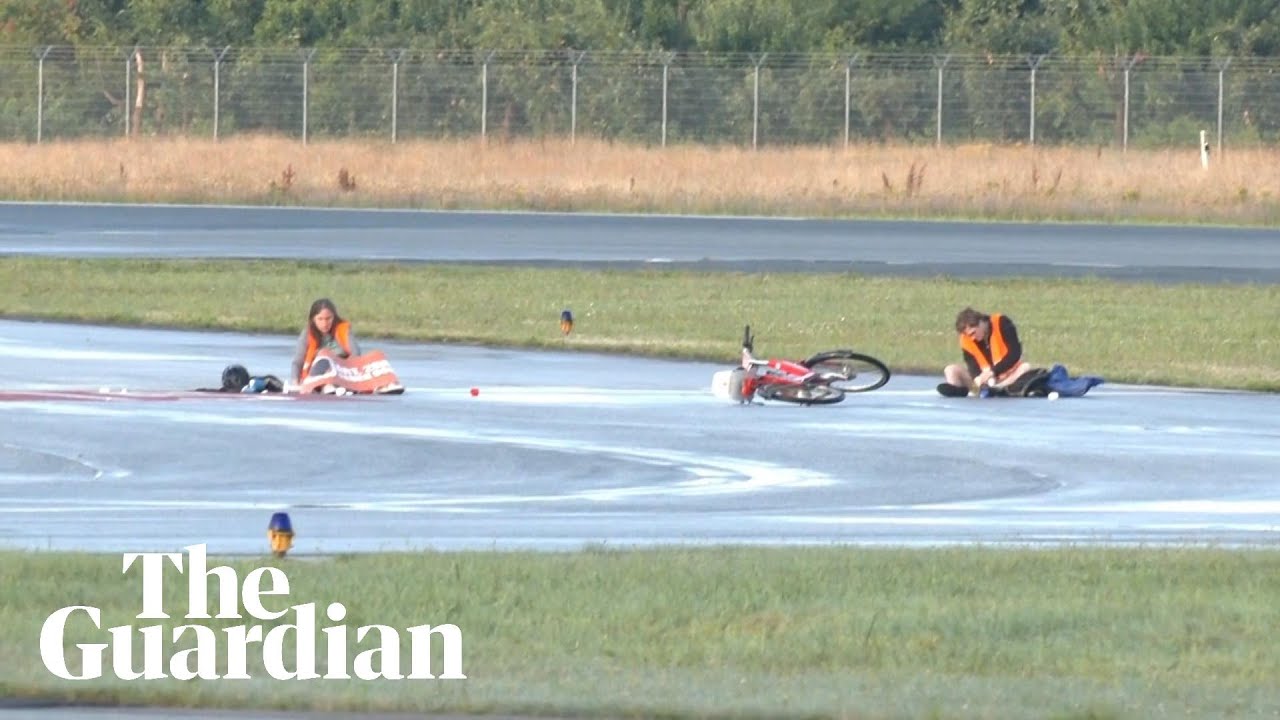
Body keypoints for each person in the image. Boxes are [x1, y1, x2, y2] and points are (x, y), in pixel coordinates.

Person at [938, 307, 1039, 397]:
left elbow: (1014, 354)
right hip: (983, 380)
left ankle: (998, 389)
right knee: (950, 370)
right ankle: (958, 390)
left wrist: (993, 372)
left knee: (1025, 367)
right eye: (969, 335)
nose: (972, 338)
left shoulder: (1001, 322)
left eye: (973, 333)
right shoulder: (967, 340)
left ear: (981, 322)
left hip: (1007, 375)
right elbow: (972, 366)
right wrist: (980, 378)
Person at [291, 297, 361, 384]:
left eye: (328, 319)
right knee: (323, 355)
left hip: (342, 373)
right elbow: (298, 362)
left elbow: (356, 354)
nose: (324, 324)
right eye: (320, 319)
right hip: (316, 375)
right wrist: (295, 383)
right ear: (313, 319)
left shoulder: (343, 330)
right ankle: (325, 384)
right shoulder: (307, 334)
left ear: (334, 317)